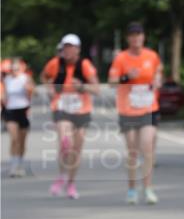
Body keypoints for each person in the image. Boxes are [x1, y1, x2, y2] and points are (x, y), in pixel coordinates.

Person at [108, 22, 163, 205]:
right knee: (132, 152)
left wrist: (157, 80)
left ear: (143, 37)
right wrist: (126, 77)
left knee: (147, 148)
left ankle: (148, 188)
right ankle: (132, 189)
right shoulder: (121, 58)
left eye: (138, 34)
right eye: (132, 35)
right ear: (128, 38)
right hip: (128, 110)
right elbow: (112, 82)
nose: (136, 38)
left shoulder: (152, 56)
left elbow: (158, 72)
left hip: (149, 108)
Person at [40, 35, 100, 199]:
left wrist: (82, 86)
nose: (67, 50)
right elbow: (44, 76)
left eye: (71, 47)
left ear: (78, 50)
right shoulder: (55, 63)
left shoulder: (85, 65)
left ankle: (71, 183)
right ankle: (61, 175)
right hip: (61, 107)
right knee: (65, 142)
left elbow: (97, 89)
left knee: (76, 150)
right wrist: (49, 88)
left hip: (82, 109)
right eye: (65, 47)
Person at [1, 58, 35, 176]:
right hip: (10, 111)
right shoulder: (6, 79)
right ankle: (13, 166)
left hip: (23, 110)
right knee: (14, 139)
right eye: (12, 69)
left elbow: (34, 92)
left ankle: (20, 162)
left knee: (22, 141)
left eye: (16, 69)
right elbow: (4, 95)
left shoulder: (25, 78)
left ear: (21, 68)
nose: (14, 71)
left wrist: (29, 89)